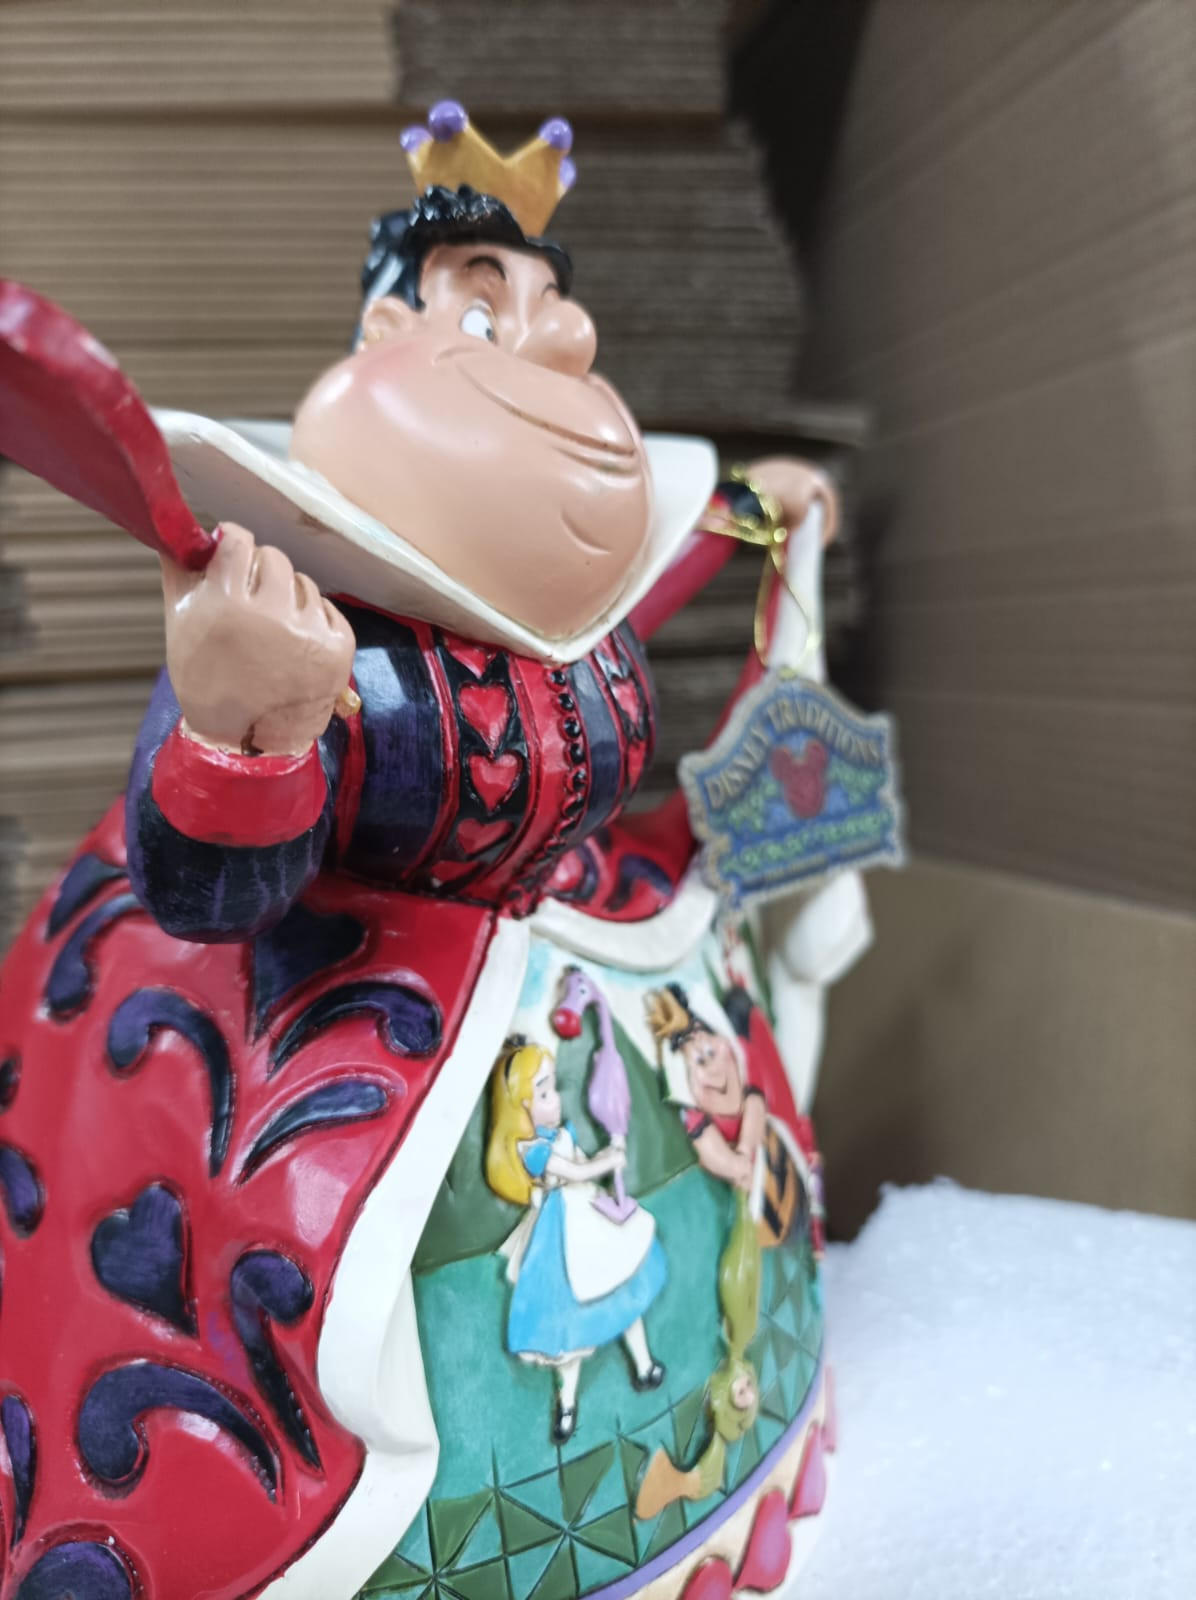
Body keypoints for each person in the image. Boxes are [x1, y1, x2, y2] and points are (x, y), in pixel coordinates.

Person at [0, 104, 858, 1600]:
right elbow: (202, 890)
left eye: (553, 306)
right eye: (485, 304)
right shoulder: (290, 615)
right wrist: (243, 732)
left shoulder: (569, 598)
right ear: (385, 334)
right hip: (365, 1023)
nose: (565, 339)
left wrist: (750, 513)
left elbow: (638, 588)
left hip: (590, 960)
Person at [485, 1039, 666, 1443]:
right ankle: (567, 1405)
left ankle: (643, 1364)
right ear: (523, 1106)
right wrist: (608, 1161)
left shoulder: (562, 1133)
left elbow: (582, 1164)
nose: (555, 1099)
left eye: (553, 1087)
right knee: (571, 1329)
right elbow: (575, 1172)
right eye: (543, 1093)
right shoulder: (532, 1149)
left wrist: (609, 1151)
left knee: (623, 1287)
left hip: (592, 1215)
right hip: (564, 1233)